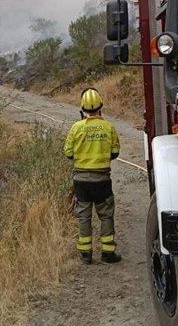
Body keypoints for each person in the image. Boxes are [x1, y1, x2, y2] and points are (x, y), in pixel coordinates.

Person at [63, 88, 122, 265]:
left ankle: (86, 254)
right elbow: (115, 152)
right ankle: (108, 253)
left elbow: (68, 152)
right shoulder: (108, 127)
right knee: (106, 215)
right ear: (100, 107)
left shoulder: (76, 128)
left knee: (84, 216)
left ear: (82, 109)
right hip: (102, 180)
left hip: (81, 181)